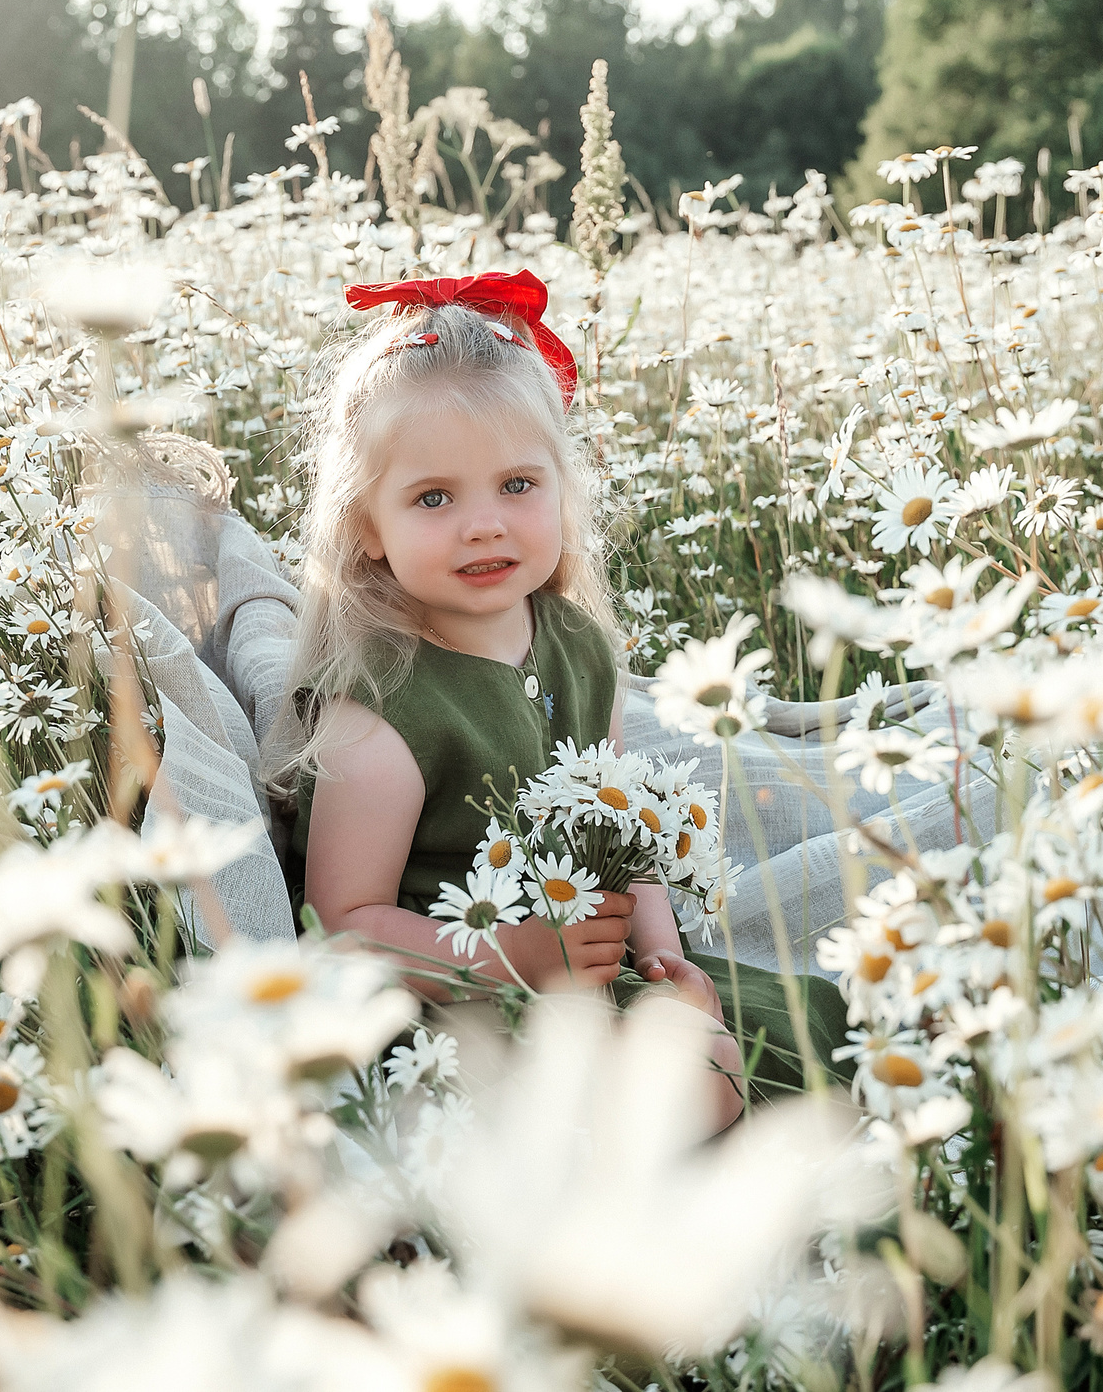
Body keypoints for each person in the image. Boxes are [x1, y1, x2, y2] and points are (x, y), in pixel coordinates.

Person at [261, 270, 847, 1133]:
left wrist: (664, 962)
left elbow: (626, 836)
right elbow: (348, 930)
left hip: (584, 968)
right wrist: (515, 954)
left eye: (518, 484)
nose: (485, 523)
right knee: (692, 1084)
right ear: (365, 527)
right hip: (458, 999)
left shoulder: (575, 644)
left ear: (562, 487)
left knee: (805, 1023)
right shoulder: (379, 713)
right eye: (433, 497)